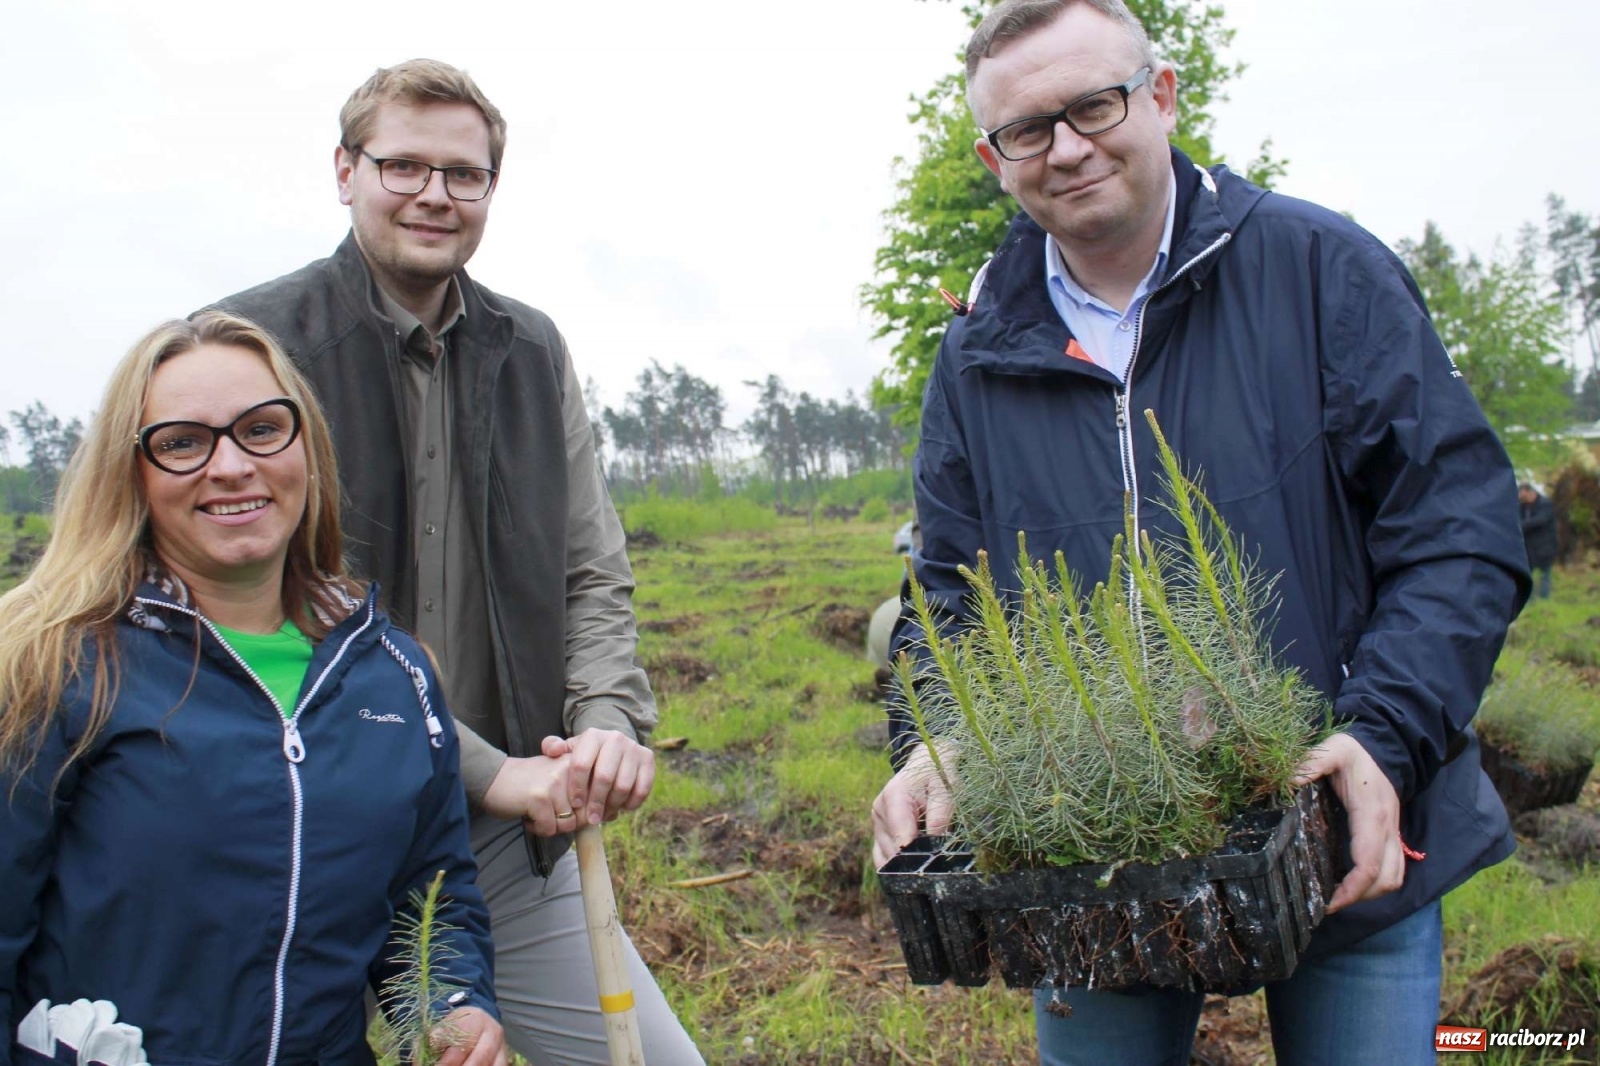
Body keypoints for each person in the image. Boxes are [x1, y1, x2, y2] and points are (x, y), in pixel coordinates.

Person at [868, 2, 1531, 1063]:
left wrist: (1382, 736)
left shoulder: (1320, 271)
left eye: (1094, 104)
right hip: (1093, 851)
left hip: (1341, 818)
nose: (1069, 147)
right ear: (994, 159)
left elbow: (1459, 530)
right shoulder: (978, 350)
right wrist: (937, 737)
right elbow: (950, 590)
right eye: (1027, 130)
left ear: (1161, 95)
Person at [206, 60, 703, 1065]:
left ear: (489, 191)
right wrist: (492, 770)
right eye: (403, 166)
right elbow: (258, 598)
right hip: (297, 820)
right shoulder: (254, 346)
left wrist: (605, 721)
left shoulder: (532, 351)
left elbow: (590, 568)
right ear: (345, 171)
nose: (434, 194)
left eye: (463, 174)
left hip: (495, 842)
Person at [0, 312, 503, 1065]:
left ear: (307, 447)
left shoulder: (394, 673)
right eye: (181, 443)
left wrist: (447, 1004)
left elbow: (432, 901)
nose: (232, 466)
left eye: (262, 429)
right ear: (130, 472)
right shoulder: (54, 664)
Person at [1519, 480, 1558, 599]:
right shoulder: (1522, 506)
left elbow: (1540, 521)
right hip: (1529, 546)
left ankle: (1544, 599)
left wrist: (1519, 526)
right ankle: (1528, 599)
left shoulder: (1545, 504)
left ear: (1531, 492)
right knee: (1527, 573)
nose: (1523, 499)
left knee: (1545, 573)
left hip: (1545, 545)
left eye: (1524, 496)